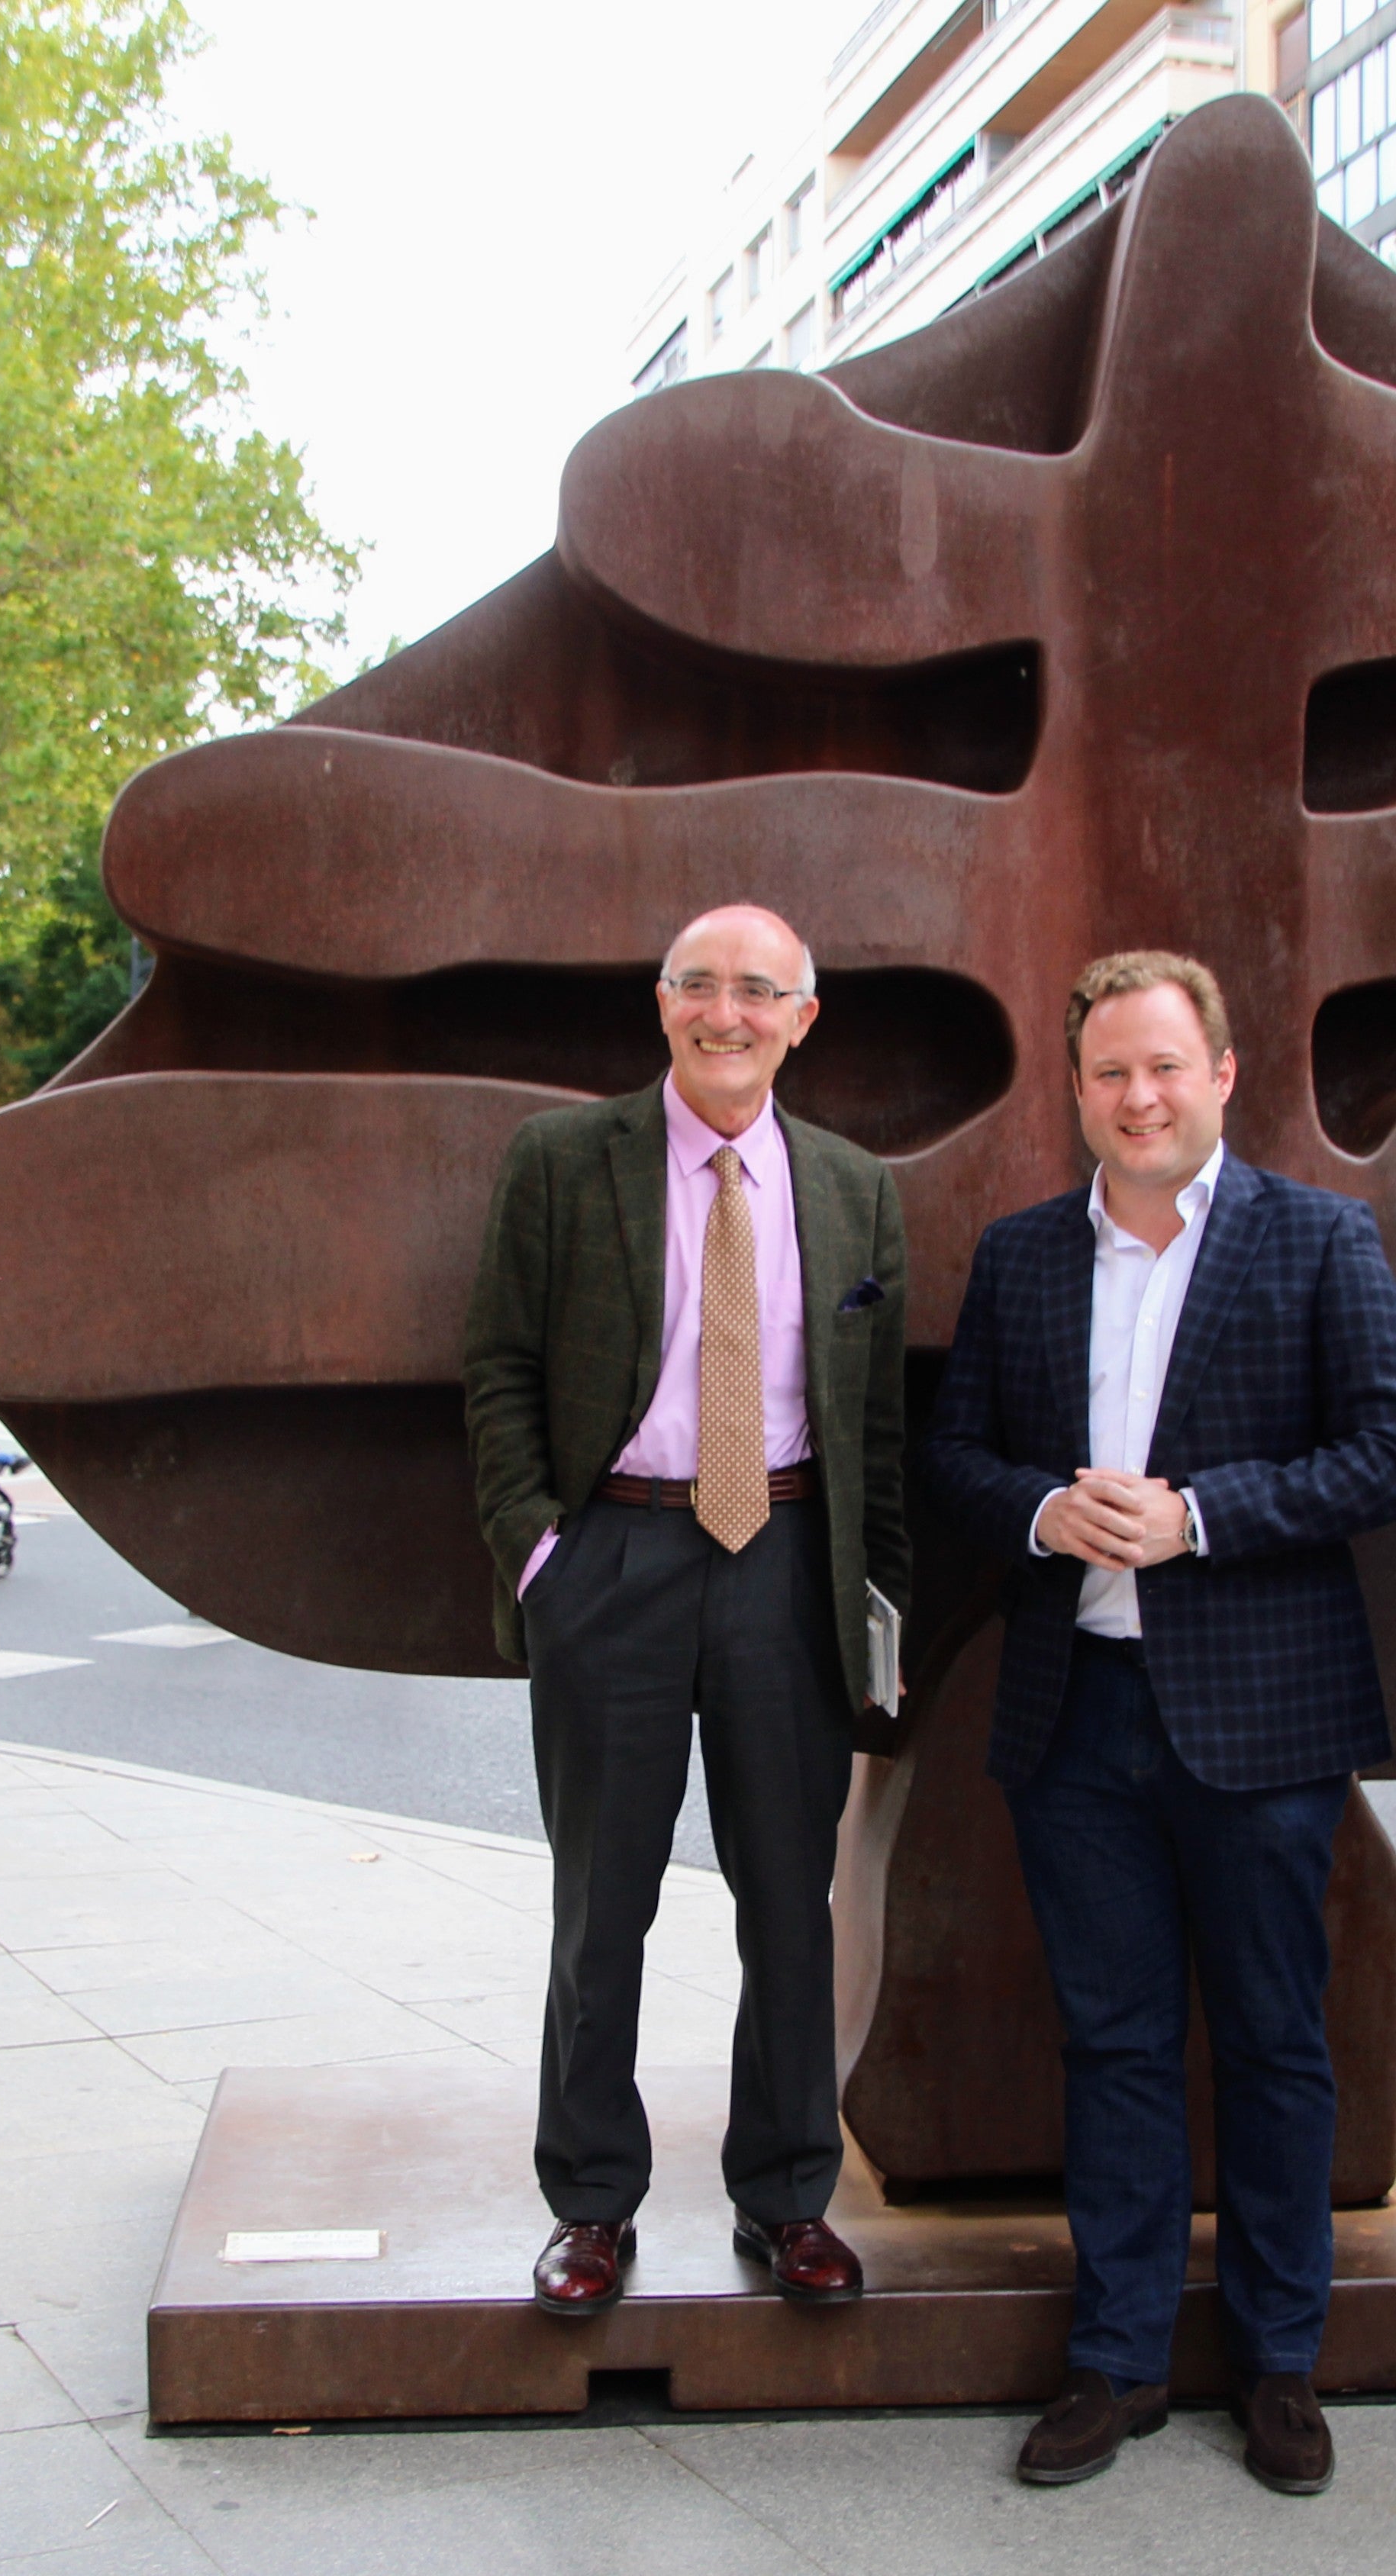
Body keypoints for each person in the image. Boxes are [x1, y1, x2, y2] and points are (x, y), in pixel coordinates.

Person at [922, 952, 1396, 2497]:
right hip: (1075, 1718)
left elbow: (1392, 1456)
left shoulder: (1319, 1239)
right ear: (1076, 1091)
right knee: (1117, 2044)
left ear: (1221, 1072)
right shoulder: (1019, 1258)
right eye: (1108, 1075)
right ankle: (1121, 2354)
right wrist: (1044, 1508)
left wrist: (1202, 1515)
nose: (1137, 1097)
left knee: (1280, 2045)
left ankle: (1281, 2363)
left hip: (1261, 1720)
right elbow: (952, 1453)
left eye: (1163, 1067)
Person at [462, 903, 911, 2320]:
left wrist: (875, 1597)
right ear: (662, 1004)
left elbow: (876, 1420)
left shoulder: (854, 1188)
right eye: (703, 986)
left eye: (760, 991)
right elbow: (498, 1367)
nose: (731, 1012)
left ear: (802, 1018)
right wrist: (544, 1556)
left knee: (791, 1904)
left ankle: (786, 2200)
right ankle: (591, 2204)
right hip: (617, 1563)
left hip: (785, 1565)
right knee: (605, 1908)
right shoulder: (562, 1160)